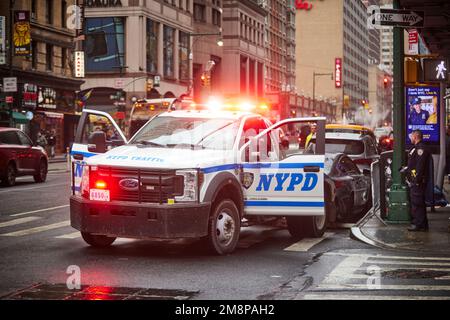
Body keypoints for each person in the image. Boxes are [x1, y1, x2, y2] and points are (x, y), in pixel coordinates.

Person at [406, 129, 431, 232]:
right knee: (419, 202)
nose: (410, 138)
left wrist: (415, 179)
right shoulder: (416, 148)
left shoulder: (420, 148)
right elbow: (413, 165)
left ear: (415, 136)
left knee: (417, 202)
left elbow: (419, 167)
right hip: (417, 180)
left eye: (411, 136)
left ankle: (418, 224)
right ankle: (423, 224)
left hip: (418, 181)